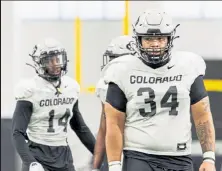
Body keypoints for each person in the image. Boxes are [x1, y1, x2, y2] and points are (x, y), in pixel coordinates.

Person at [104, 9, 216, 171]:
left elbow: (202, 116)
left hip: (179, 156)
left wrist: (209, 158)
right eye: (148, 38)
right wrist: (114, 165)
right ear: (138, 40)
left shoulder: (188, 66)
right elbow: (114, 123)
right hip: (139, 155)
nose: (155, 44)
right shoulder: (123, 70)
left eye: (160, 38)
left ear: (170, 39)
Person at [12, 38, 96, 171]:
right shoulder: (31, 89)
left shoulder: (70, 87)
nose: (55, 64)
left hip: (63, 155)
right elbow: (17, 133)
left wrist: (100, 154)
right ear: (39, 63)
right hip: (38, 153)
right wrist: (31, 162)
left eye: (58, 59)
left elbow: (80, 127)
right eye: (49, 60)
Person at [92, 35, 136, 171]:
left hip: (140, 154)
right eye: (110, 59)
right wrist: (95, 167)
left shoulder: (143, 85)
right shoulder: (105, 86)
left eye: (115, 60)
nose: (111, 65)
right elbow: (104, 128)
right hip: (115, 155)